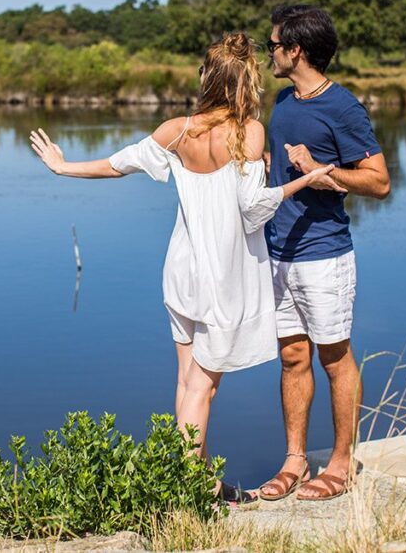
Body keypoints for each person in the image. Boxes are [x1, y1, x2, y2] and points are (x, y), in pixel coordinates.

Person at [29, 32, 341, 503]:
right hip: (222, 277)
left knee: (185, 381)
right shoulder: (249, 133)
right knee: (202, 389)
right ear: (245, 83)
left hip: (181, 269)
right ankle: (190, 487)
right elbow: (253, 209)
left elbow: (119, 165)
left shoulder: (176, 130)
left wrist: (63, 166)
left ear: (209, 80)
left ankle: (200, 482)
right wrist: (306, 181)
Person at [258, 5, 391, 502]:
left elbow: (378, 182)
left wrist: (322, 168)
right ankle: (295, 459)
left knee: (334, 358)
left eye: (273, 45)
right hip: (278, 252)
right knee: (292, 357)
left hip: (324, 254)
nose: (268, 52)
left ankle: (340, 462)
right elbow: (279, 171)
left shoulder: (343, 108)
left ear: (296, 50)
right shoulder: (283, 101)